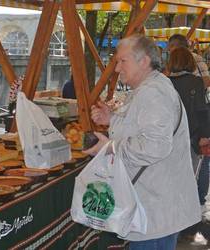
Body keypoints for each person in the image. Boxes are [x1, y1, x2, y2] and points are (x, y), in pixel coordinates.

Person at [84, 34, 200, 249]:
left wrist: (109, 147)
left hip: (155, 207)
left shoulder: (154, 93)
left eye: (122, 61)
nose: (117, 68)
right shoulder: (152, 87)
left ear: (144, 61)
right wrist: (112, 118)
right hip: (156, 204)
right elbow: (141, 126)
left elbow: (153, 146)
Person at [168, 33, 210, 222]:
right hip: (192, 137)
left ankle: (173, 213)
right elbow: (202, 111)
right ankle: (188, 214)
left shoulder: (165, 83)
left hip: (170, 138)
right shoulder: (196, 82)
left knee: (171, 177)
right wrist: (205, 135)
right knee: (190, 176)